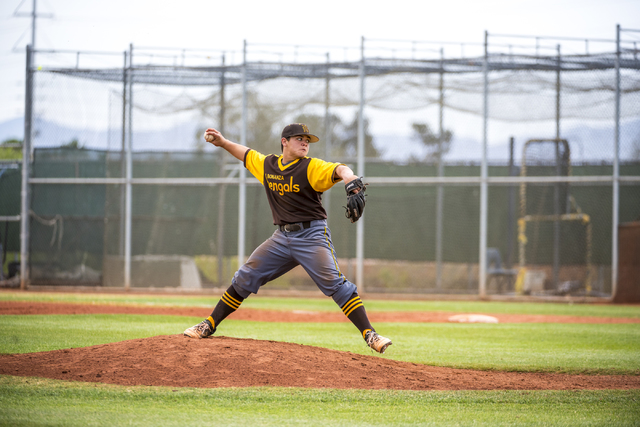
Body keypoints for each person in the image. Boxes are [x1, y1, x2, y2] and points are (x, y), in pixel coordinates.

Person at [184, 123, 392, 353]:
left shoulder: (310, 167)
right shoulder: (268, 165)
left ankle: (370, 334)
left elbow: (339, 169)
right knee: (245, 276)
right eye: (299, 138)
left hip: (312, 236)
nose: (305, 143)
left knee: (335, 284)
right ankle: (209, 324)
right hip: (281, 238)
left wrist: (350, 179)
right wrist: (222, 142)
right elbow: (245, 154)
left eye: (307, 140)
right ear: (284, 141)